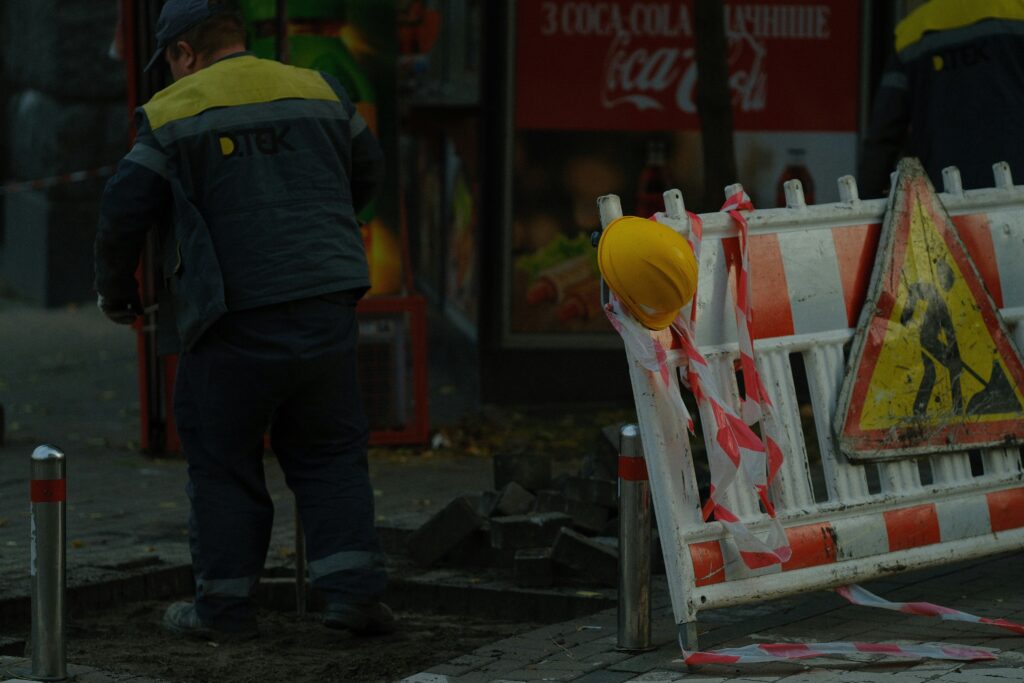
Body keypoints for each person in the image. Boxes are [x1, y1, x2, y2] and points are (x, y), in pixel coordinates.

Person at [93, 0, 393, 640]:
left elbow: (123, 210)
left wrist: (117, 292)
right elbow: (368, 169)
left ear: (183, 53)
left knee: (223, 458)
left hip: (231, 314)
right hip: (326, 299)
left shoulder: (174, 111)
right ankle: (354, 599)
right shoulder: (319, 89)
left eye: (169, 63)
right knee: (331, 454)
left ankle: (223, 611)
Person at [859, 0, 1024, 198]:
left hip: (943, 199)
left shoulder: (913, 31)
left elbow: (883, 136)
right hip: (1016, 193)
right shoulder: (1016, 11)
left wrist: (865, 202)